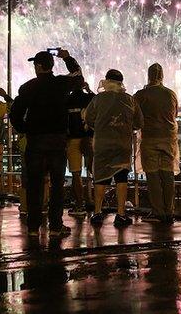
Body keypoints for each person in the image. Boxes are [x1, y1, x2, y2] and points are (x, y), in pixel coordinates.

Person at [10, 49, 83, 237]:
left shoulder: (28, 87)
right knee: (57, 185)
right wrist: (67, 57)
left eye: (35, 64)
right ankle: (56, 226)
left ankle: (33, 227)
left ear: (39, 66)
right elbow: (78, 76)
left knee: (35, 184)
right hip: (57, 142)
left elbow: (15, 114)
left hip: (35, 142)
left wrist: (24, 128)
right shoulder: (61, 83)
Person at [85, 69, 144, 228]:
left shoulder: (98, 99)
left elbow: (88, 118)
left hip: (102, 145)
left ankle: (97, 213)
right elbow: (139, 123)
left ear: (106, 81)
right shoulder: (130, 100)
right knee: (121, 178)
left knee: (100, 179)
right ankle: (121, 214)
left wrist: (99, 126)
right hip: (122, 145)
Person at [134, 63, 179, 223]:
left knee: (153, 176)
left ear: (149, 75)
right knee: (167, 175)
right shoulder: (170, 94)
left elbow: (135, 117)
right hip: (168, 140)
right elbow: (175, 113)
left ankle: (158, 212)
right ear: (162, 76)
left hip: (149, 139)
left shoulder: (140, 95)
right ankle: (170, 211)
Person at [66, 81, 95, 216]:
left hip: (73, 139)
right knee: (93, 169)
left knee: (76, 173)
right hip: (89, 138)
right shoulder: (89, 98)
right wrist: (89, 90)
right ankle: (95, 201)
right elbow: (97, 101)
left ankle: (79, 205)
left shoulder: (67, 100)